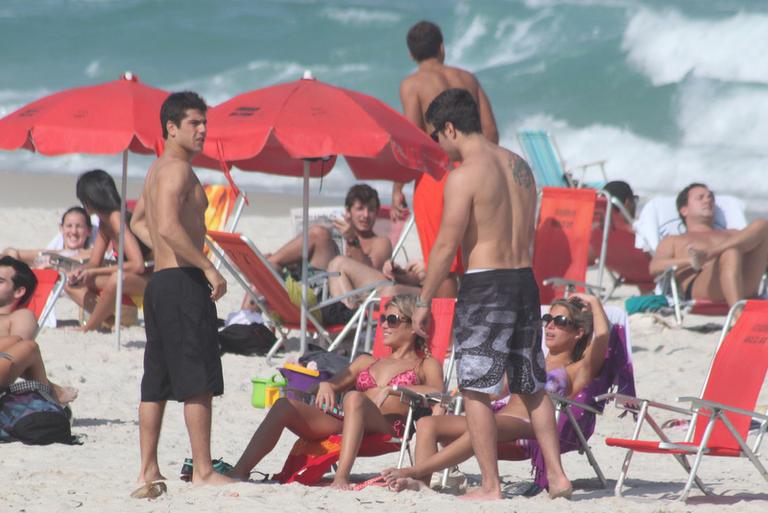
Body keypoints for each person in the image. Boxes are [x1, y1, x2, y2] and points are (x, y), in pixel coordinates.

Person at [411, 88, 571, 500]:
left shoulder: (463, 175)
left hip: (487, 285)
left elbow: (446, 247)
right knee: (531, 385)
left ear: (449, 127)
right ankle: (557, 475)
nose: (439, 147)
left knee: (476, 387)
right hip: (524, 281)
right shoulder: (521, 167)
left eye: (437, 137)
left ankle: (490, 486)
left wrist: (424, 301)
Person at [382, 294, 609, 495]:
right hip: (500, 419)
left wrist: (595, 303)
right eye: (547, 320)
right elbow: (496, 393)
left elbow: (603, 337)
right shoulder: (531, 359)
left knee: (484, 426)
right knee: (428, 424)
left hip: (529, 427)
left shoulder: (577, 369)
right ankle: (422, 484)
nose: (550, 327)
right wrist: (460, 399)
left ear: (578, 332)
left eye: (560, 322)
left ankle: (415, 470)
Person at [230, 294, 443, 489]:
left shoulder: (425, 364)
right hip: (347, 421)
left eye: (393, 320)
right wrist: (325, 385)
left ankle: (341, 478)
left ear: (414, 325)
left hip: (386, 428)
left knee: (353, 398)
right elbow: (331, 384)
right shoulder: (366, 361)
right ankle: (238, 472)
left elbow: (439, 393)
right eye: (383, 319)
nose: (385, 325)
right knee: (283, 406)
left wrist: (394, 389)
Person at [129, 91, 233, 491]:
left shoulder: (158, 169)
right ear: (171, 128)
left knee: (156, 378)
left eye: (204, 122)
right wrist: (206, 266)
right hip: (182, 283)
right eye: (194, 123)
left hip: (160, 284)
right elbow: (169, 225)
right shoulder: (177, 171)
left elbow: (140, 221)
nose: (203, 129)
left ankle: (148, 469)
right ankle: (204, 471)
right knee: (197, 379)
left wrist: (165, 252)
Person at [391, 20, 499, 298]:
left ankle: (448, 334)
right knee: (473, 259)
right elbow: (491, 133)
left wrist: (397, 188)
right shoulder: (468, 79)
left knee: (444, 265)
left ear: (410, 54)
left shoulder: (412, 84)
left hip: (436, 178)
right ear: (442, 48)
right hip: (478, 172)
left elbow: (412, 144)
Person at [649, 183, 768, 307]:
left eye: (710, 197)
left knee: (762, 224)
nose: (708, 200)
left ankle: (710, 253)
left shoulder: (733, 233)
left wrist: (709, 255)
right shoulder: (675, 240)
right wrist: (691, 260)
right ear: (684, 210)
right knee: (730, 252)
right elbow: (655, 267)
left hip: (744, 281)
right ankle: (738, 317)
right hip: (703, 286)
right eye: (700, 198)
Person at [64, 170, 150, 332]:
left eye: (83, 200)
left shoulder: (117, 218)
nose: (83, 205)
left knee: (116, 279)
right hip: (132, 277)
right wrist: (81, 271)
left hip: (150, 279)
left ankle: (88, 327)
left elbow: (138, 265)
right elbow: (94, 262)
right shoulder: (105, 222)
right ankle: (110, 319)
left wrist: (96, 271)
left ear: (90, 199)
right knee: (72, 284)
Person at [0, 256, 78, 404]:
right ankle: (52, 391)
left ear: (19, 291)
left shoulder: (20, 316)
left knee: (28, 347)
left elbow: (20, 349)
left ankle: (50, 396)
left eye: (0, 281)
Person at [2, 206, 93, 269]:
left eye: (79, 227)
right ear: (61, 229)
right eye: (69, 226)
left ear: (89, 231)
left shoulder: (93, 255)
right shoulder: (49, 254)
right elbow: (11, 252)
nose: (73, 232)